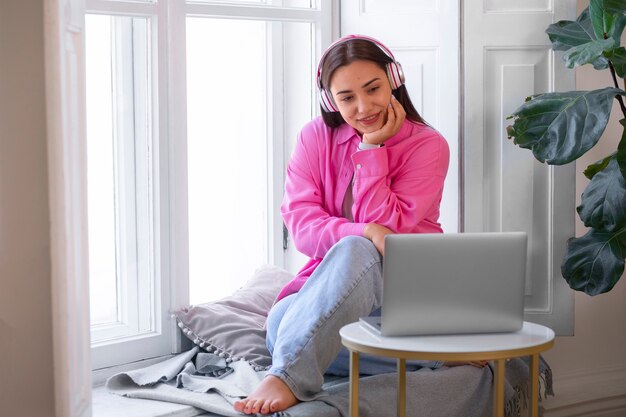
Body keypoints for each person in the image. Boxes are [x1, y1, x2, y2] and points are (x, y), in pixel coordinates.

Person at [234, 34, 477, 416]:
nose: (363, 107)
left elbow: (388, 232)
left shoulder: (429, 146)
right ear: (332, 100)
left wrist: (371, 152)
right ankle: (429, 357)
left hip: (403, 291)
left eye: (373, 89)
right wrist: (362, 232)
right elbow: (303, 227)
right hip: (329, 291)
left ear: (394, 79)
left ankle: (289, 376)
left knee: (354, 251)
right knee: (281, 323)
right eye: (347, 98)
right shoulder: (315, 137)